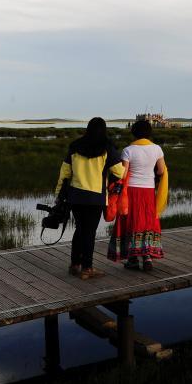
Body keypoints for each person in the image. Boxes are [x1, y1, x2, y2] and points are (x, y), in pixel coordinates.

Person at [54, 118, 125, 280]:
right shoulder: (107, 146)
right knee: (89, 233)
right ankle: (87, 269)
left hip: (76, 196)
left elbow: (64, 173)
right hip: (95, 197)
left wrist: (59, 194)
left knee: (80, 230)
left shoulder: (75, 146)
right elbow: (120, 172)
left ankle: (74, 265)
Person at [108, 119, 168, 271]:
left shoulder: (128, 150)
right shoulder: (157, 149)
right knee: (147, 220)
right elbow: (161, 171)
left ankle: (133, 258)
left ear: (134, 132)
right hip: (148, 189)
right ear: (149, 133)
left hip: (131, 190)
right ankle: (147, 256)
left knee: (130, 220)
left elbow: (123, 173)